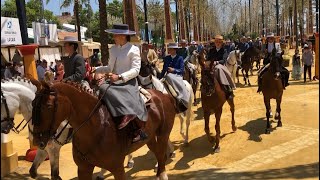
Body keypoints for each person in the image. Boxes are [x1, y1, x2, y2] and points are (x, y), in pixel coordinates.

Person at [93, 24, 148, 143]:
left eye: (115, 34)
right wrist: (96, 69)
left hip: (128, 82)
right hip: (114, 80)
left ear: (123, 36)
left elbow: (136, 70)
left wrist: (120, 76)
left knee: (104, 88)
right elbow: (109, 68)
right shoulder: (113, 49)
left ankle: (136, 128)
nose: (113, 37)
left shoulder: (134, 50)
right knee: (98, 90)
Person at [159, 42, 190, 112]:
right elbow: (164, 69)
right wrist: (159, 78)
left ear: (175, 50)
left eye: (171, 49)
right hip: (167, 76)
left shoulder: (180, 58)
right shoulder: (166, 58)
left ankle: (181, 97)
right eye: (169, 49)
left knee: (169, 76)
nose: (169, 50)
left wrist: (174, 70)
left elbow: (181, 70)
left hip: (177, 76)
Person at [204, 35, 236, 99]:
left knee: (218, 68)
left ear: (221, 43)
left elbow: (224, 60)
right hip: (211, 65)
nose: (218, 43)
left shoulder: (224, 50)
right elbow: (208, 58)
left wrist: (216, 62)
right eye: (216, 42)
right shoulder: (211, 50)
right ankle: (204, 86)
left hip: (220, 65)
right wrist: (207, 62)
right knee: (204, 71)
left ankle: (228, 89)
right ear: (215, 43)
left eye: (219, 42)